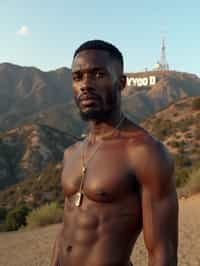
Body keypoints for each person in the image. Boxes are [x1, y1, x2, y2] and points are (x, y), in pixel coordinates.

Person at [50, 40, 178, 266]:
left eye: (98, 74)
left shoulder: (145, 153)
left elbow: (162, 251)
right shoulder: (71, 153)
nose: (85, 85)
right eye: (77, 77)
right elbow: (65, 231)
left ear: (121, 83)